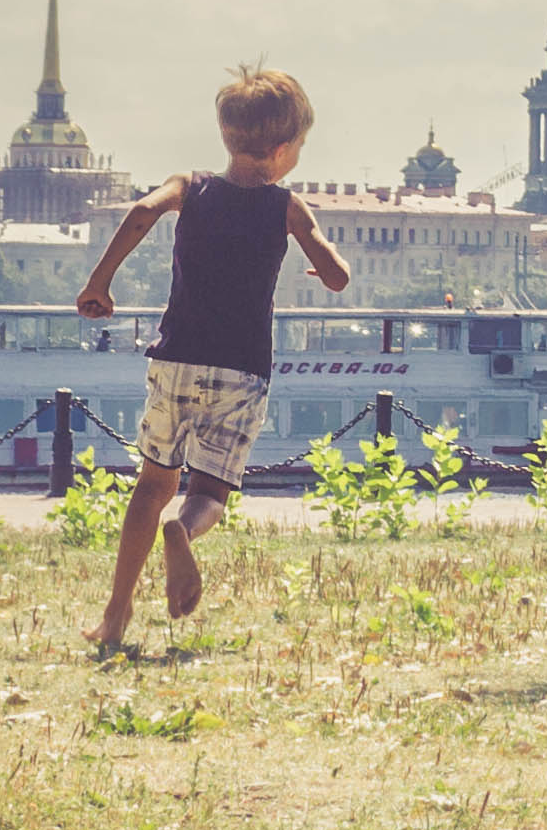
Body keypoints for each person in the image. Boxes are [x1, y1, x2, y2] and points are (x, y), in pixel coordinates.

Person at [82, 64, 348, 651]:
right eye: (300, 144)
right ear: (282, 151)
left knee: (151, 485)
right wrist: (324, 265)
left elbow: (140, 213)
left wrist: (99, 282)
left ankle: (116, 614)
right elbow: (335, 276)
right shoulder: (286, 207)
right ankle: (184, 529)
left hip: (177, 356)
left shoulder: (190, 185)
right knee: (209, 492)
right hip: (243, 368)